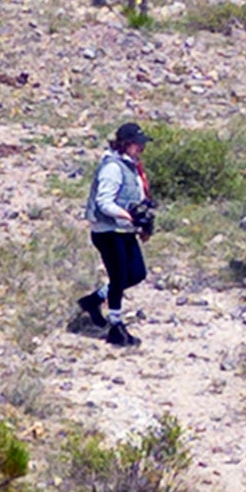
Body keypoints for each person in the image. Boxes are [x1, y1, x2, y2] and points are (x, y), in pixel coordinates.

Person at [77, 122, 153, 349]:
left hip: (124, 230)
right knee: (119, 277)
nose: (141, 148)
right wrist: (128, 216)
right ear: (126, 144)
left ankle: (94, 300)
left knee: (137, 273)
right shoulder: (112, 167)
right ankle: (116, 327)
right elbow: (104, 202)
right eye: (138, 144)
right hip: (108, 231)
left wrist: (142, 226)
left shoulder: (131, 166)